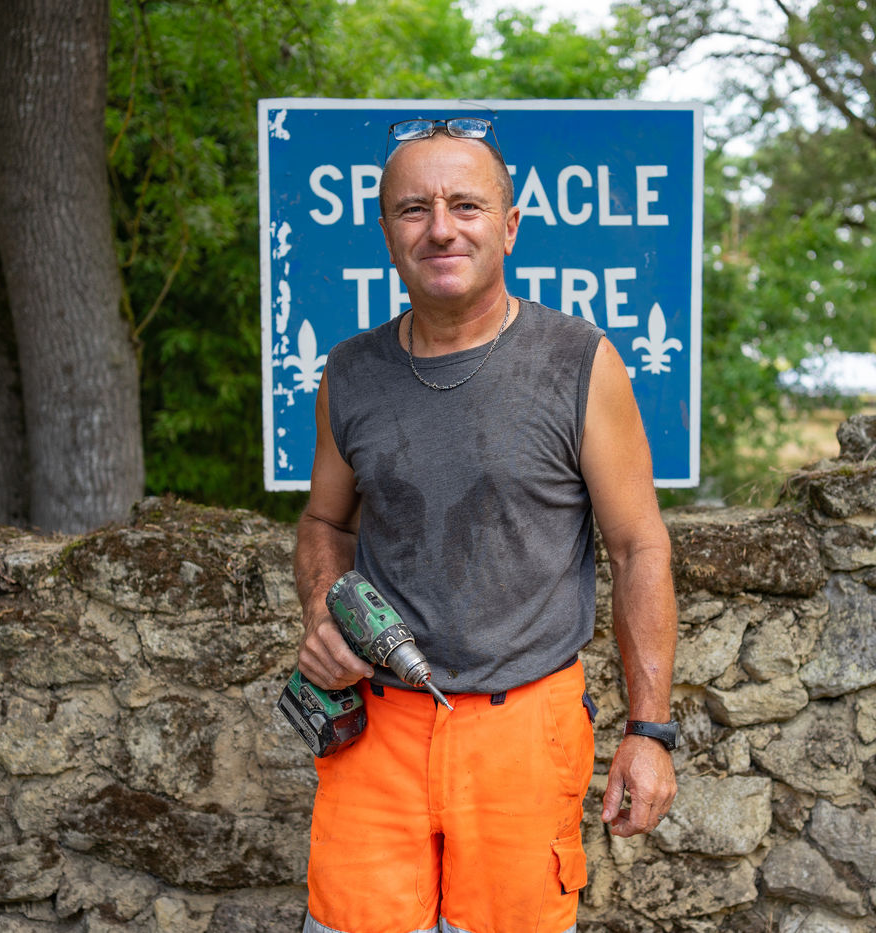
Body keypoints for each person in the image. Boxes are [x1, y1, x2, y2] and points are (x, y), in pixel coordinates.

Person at [293, 115, 678, 933]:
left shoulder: (580, 362)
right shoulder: (350, 371)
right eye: (414, 209)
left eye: (466, 205)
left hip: (525, 728)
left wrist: (650, 731)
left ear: (508, 226)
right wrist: (324, 612)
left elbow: (638, 545)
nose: (441, 228)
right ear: (387, 232)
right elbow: (326, 520)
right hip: (374, 728)